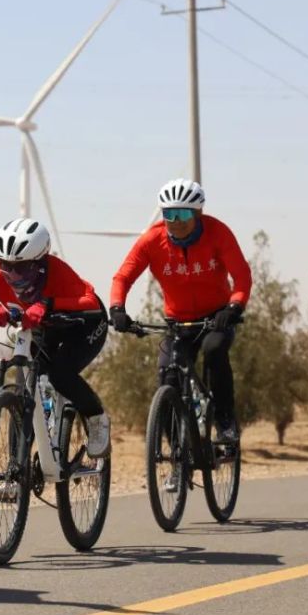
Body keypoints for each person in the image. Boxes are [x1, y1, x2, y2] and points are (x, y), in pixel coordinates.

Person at [0, 218, 112, 458]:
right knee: (26, 393)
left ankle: (96, 418)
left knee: (60, 373)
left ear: (41, 263)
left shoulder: (58, 270)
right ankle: (17, 469)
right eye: (5, 265)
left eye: (21, 267)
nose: (12, 275)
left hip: (84, 324)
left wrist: (48, 303)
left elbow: (89, 301)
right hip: (43, 327)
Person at [109, 178, 252, 454]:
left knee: (214, 351)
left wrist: (234, 307)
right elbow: (123, 276)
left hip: (216, 317)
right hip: (178, 321)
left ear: (198, 213)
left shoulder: (218, 233)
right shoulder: (153, 239)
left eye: (182, 214)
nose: (174, 221)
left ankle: (225, 421)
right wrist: (117, 308)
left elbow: (242, 276)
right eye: (168, 214)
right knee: (167, 377)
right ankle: (177, 451)